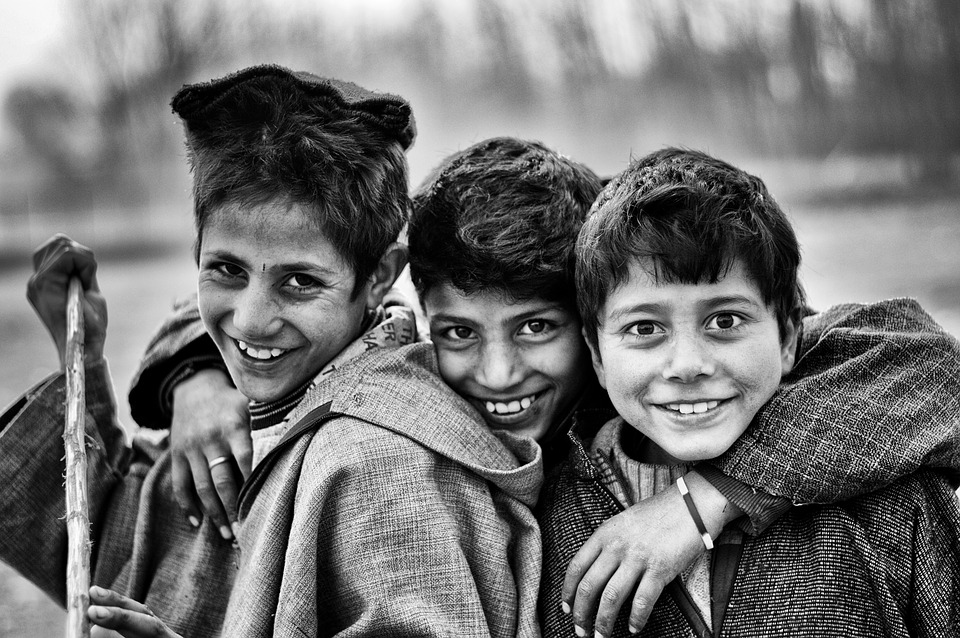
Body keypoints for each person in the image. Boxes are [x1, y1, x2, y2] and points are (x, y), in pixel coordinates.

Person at [135, 137, 960, 635]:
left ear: (591, 316)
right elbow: (286, 309)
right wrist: (194, 371)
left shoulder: (669, 359)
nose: (497, 375)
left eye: (537, 327)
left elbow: (908, 357)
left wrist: (700, 504)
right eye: (457, 332)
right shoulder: (437, 423)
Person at [0, 65, 544, 638]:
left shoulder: (382, 466)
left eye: (301, 282)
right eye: (227, 270)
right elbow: (123, 540)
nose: (252, 320)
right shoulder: (272, 405)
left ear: (381, 275)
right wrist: (85, 358)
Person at [538, 147, 960, 636]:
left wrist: (700, 502)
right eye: (644, 328)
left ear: (785, 338)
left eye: (724, 320)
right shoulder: (553, 518)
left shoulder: (891, 497)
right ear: (595, 355)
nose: (688, 365)